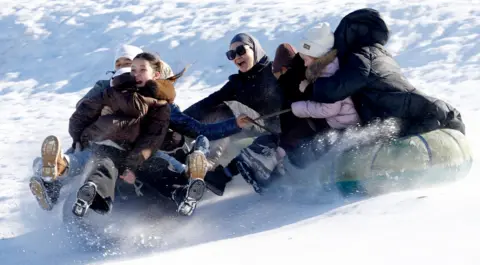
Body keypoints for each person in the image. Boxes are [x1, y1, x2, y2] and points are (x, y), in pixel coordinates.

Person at [310, 8, 465, 137]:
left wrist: (311, 86)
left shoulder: (363, 56)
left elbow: (334, 90)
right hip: (439, 113)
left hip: (425, 119)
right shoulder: (382, 55)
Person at [183, 33, 283, 168]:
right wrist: (178, 120)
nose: (237, 57)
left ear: (254, 49)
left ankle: (208, 163)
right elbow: (209, 101)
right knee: (213, 109)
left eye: (241, 50)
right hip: (247, 125)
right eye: (231, 54)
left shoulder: (273, 70)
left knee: (228, 109)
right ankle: (181, 153)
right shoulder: (237, 82)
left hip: (272, 127)